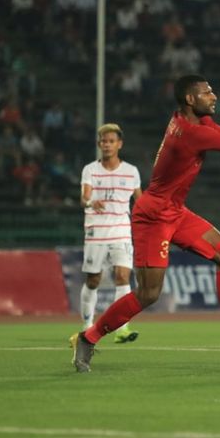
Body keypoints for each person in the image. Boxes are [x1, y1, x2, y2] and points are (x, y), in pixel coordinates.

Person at [71, 74, 220, 372]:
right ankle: (88, 338)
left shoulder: (198, 123)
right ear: (190, 100)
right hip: (153, 217)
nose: (214, 96)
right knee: (148, 293)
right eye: (207, 92)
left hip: (176, 211)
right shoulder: (188, 131)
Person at [76, 123, 142, 343]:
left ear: (119, 144)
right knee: (94, 280)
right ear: (99, 144)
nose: (107, 145)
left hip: (122, 231)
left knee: (123, 277)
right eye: (103, 141)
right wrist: (91, 201)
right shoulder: (90, 170)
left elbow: (139, 202)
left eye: (111, 141)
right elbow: (84, 198)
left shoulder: (131, 171)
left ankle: (122, 328)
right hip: (96, 231)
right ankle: (87, 326)